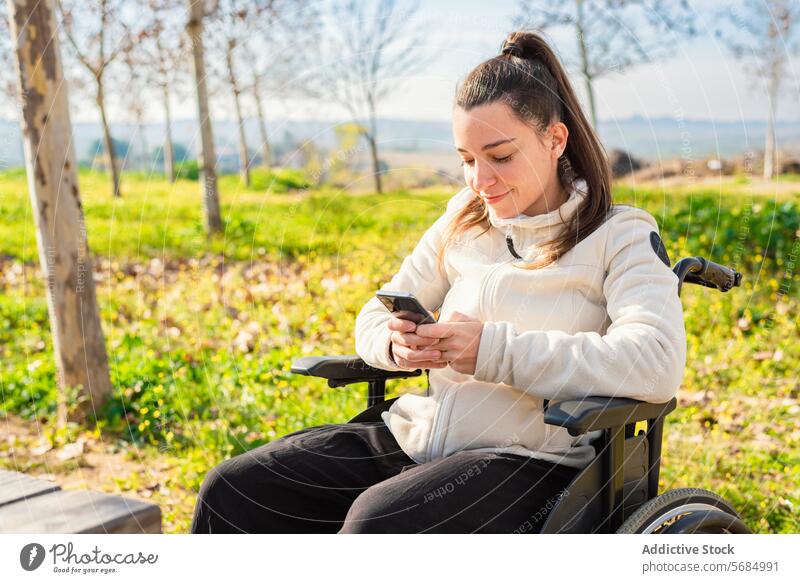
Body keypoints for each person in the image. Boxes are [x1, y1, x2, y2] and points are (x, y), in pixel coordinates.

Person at [190, 30, 686, 534]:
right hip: (414, 438)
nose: (479, 180)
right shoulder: (464, 219)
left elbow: (655, 361)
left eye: (500, 156)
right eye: (467, 160)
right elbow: (375, 313)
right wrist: (394, 343)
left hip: (530, 461)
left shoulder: (618, 233)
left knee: (376, 526)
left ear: (555, 140)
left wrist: (492, 350)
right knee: (233, 489)